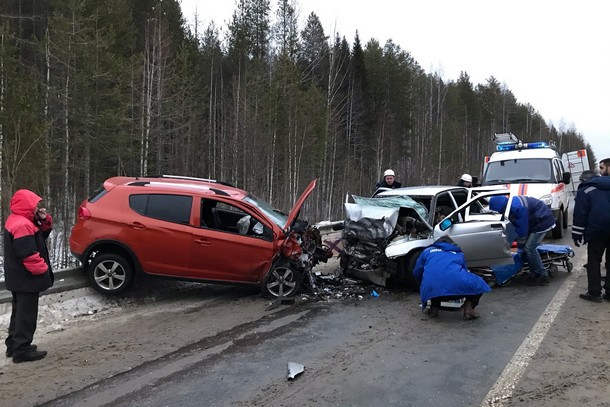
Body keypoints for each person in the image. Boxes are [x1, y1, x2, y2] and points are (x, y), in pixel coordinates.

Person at [3, 189, 54, 363]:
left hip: (18, 277)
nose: (36, 207)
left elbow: (41, 235)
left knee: (19, 313)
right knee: (26, 315)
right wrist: (43, 270)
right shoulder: (22, 225)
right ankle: (22, 350)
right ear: (26, 205)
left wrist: (43, 220)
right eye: (34, 205)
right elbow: (28, 254)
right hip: (26, 278)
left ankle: (13, 345)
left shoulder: (19, 220)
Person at [413, 236, 491, 320]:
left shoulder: (427, 251)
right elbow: (463, 271)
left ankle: (434, 309)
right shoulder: (459, 253)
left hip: (433, 291)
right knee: (479, 283)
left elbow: (417, 271)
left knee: (435, 281)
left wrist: (423, 283)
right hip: (457, 293)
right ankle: (469, 309)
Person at [488, 195, 555, 286]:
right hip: (536, 220)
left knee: (529, 248)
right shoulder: (510, 205)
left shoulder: (518, 208)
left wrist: (520, 245)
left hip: (543, 221)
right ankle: (534, 273)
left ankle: (542, 275)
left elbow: (522, 229)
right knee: (527, 249)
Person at [572, 170, 610, 302]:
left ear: (584, 180)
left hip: (597, 230)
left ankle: (594, 293)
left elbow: (580, 213)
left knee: (594, 261)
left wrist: (577, 233)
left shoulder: (586, 189)